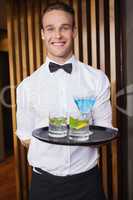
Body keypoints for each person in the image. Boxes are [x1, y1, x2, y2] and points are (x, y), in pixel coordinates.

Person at [16, 2, 112, 200]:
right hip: (44, 185)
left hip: (87, 183)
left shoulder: (97, 79)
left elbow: (104, 130)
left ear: (74, 31)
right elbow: (25, 137)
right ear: (43, 33)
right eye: (50, 29)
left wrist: (80, 133)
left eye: (64, 28)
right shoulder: (26, 86)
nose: (57, 35)